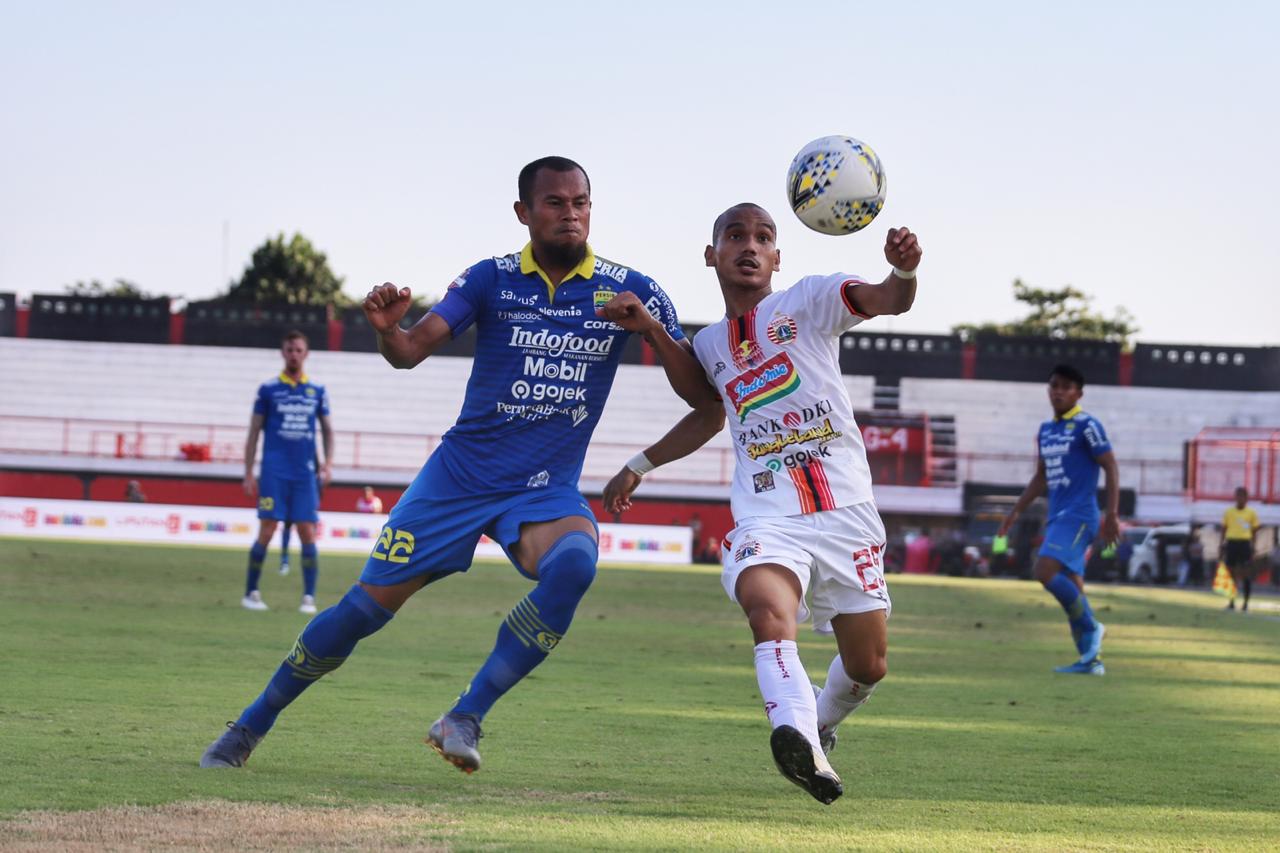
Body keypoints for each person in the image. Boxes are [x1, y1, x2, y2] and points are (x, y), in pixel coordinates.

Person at [201, 156, 707, 772]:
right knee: (360, 613)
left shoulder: (634, 290)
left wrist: (650, 330)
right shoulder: (489, 279)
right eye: (554, 202)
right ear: (524, 213)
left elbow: (699, 396)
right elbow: (411, 350)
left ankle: (465, 715)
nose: (570, 213)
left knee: (575, 564)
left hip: (542, 491)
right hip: (458, 480)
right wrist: (390, 330)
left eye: (580, 202)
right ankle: (249, 727)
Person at [602, 203, 922, 805]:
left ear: (778, 257)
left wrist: (902, 273)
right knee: (767, 610)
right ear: (712, 254)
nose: (749, 246)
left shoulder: (808, 300)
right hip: (769, 515)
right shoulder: (709, 343)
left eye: (764, 237)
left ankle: (819, 724)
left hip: (846, 511)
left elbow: (888, 300)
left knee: (869, 664)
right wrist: (639, 460)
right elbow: (707, 407)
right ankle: (798, 738)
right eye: (735, 236)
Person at [997, 364, 1120, 675]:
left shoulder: (1087, 425)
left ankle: (1092, 628)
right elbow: (1041, 479)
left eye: (1066, 387)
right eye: (1054, 386)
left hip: (1080, 515)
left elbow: (1111, 466)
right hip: (1057, 517)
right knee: (1074, 588)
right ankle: (1090, 660)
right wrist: (1015, 512)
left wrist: (1112, 515)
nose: (1058, 392)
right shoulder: (1046, 430)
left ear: (1078, 393)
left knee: (1044, 568)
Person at [239, 330, 334, 615]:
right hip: (273, 473)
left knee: (307, 531)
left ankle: (308, 598)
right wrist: (248, 471)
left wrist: (327, 463)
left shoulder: (316, 391)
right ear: (283, 353)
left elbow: (327, 430)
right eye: (289, 349)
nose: (294, 354)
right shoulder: (268, 390)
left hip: (304, 474)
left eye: (298, 350)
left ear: (306, 354)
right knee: (267, 529)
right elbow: (254, 431)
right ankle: (251, 593)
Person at [1222, 487, 1261, 611]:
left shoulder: (1251, 513)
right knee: (1231, 573)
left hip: (1244, 544)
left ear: (1246, 498)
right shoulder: (1229, 512)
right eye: (1237, 496)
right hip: (1232, 543)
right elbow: (1224, 528)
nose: (1239, 499)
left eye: (1242, 496)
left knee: (1245, 574)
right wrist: (1222, 544)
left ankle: (1245, 603)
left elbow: (1254, 531)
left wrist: (1254, 547)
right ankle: (1231, 602)